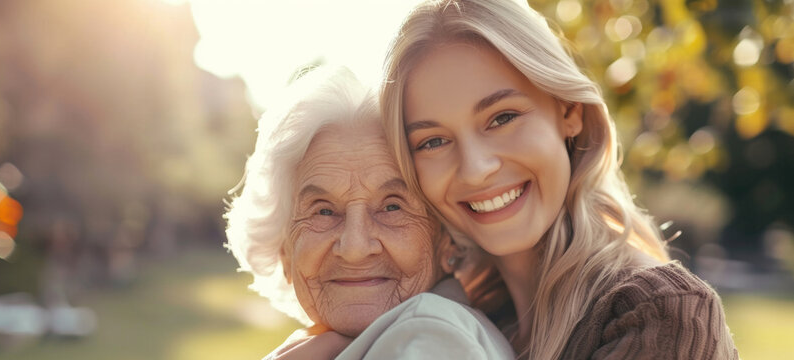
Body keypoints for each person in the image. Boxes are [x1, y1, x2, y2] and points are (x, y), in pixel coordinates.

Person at [380, 0, 739, 358]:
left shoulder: (657, 313)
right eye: (433, 141)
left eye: (502, 118)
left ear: (569, 112)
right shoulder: (464, 318)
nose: (475, 168)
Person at [225, 66, 514, 359]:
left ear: (447, 240)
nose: (355, 248)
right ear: (285, 251)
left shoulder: (429, 336)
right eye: (324, 212)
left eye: (391, 207)